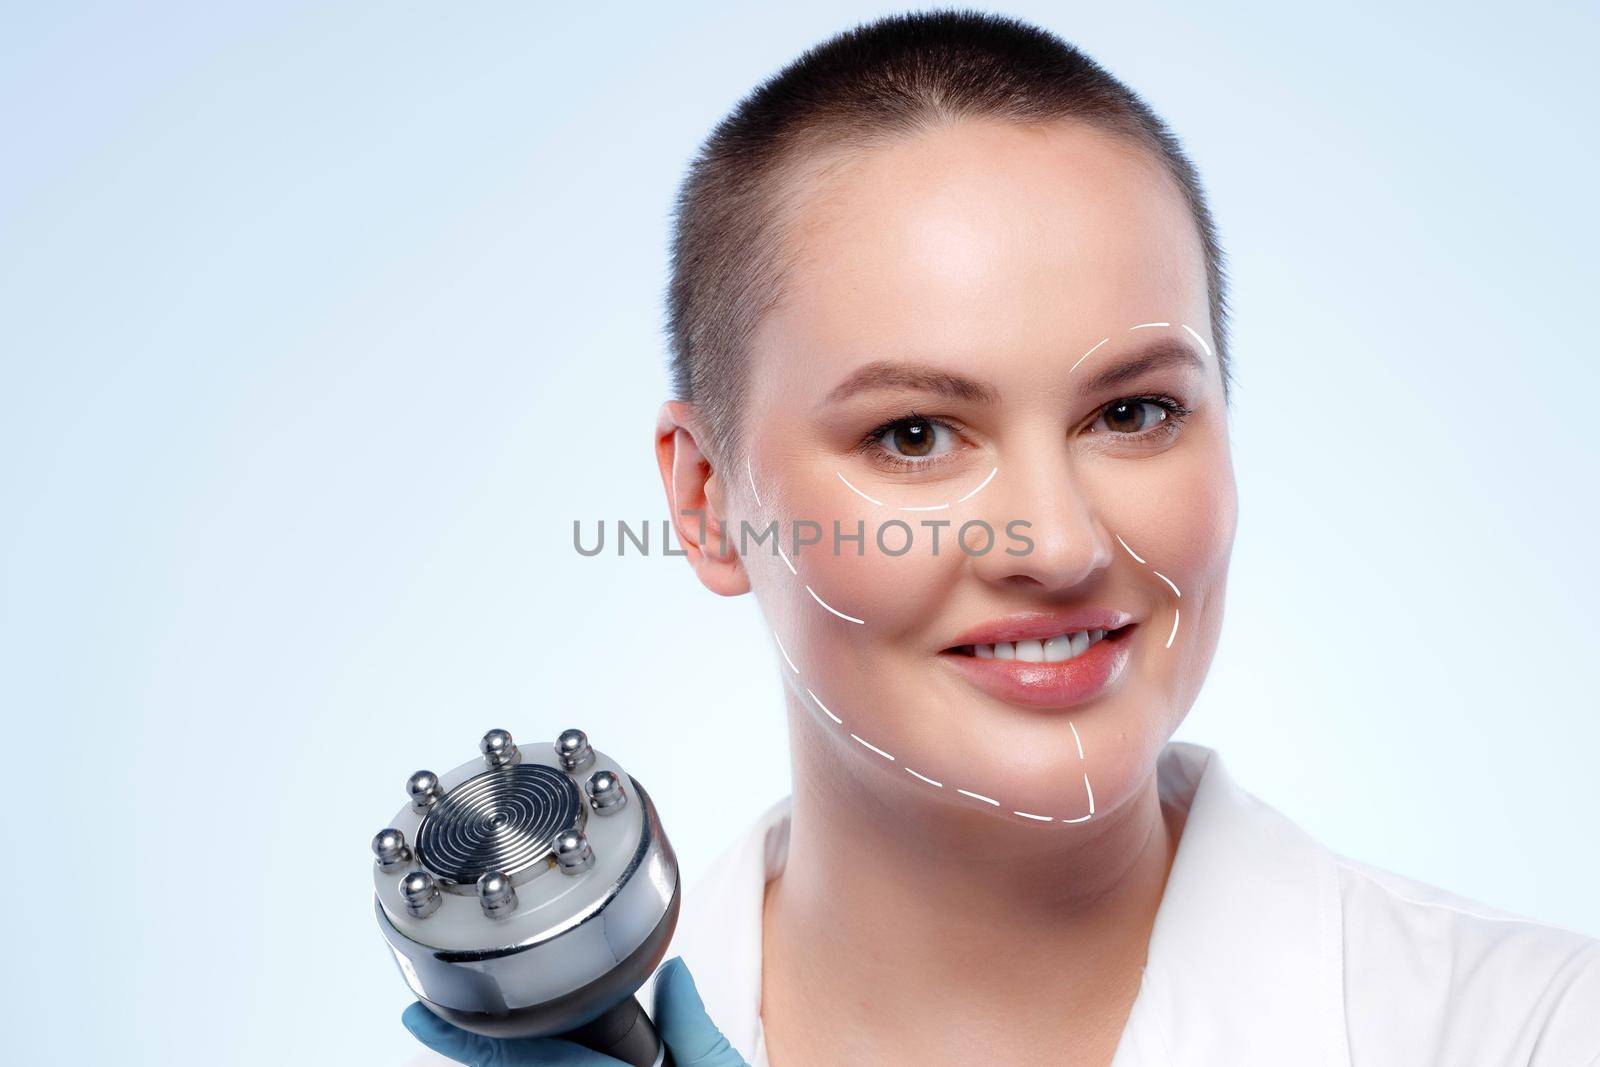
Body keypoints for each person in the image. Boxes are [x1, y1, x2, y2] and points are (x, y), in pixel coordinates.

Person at [404, 11, 1600, 1065]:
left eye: (1132, 413)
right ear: (708, 500)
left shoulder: (1540, 1030)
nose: (1061, 542)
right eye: (915, 433)